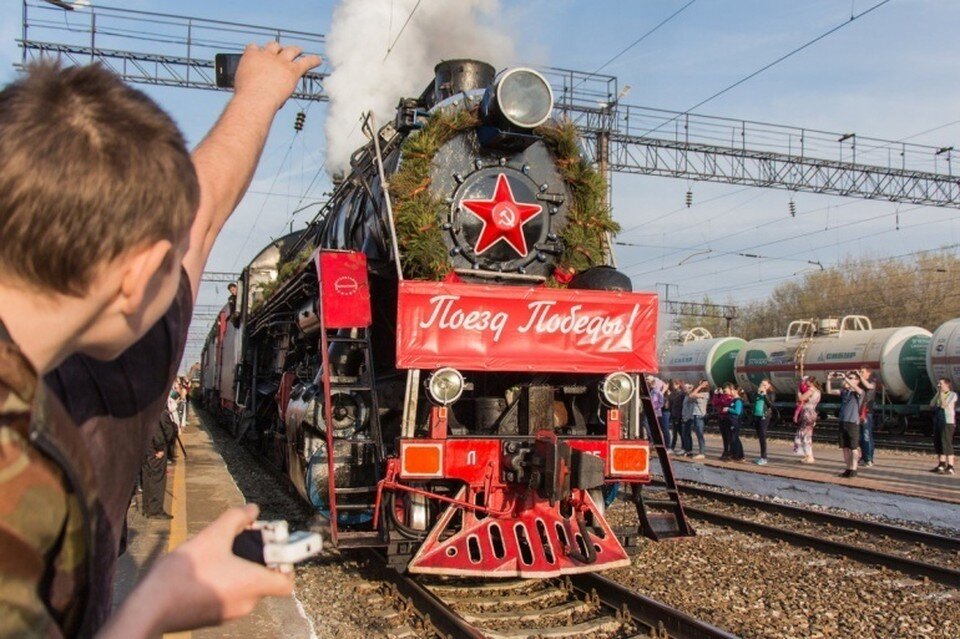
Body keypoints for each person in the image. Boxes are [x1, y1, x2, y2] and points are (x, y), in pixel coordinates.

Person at [0, 42, 320, 637]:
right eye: (166, 263)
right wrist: (155, 605)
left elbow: (198, 214)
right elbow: (203, 215)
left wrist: (257, 95)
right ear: (138, 277)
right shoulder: (110, 387)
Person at [826, 372, 864, 478]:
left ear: (857, 381)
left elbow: (858, 390)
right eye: (848, 378)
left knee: (853, 447)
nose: (848, 380)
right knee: (845, 447)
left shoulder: (859, 393)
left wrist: (845, 378)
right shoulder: (845, 392)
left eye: (851, 378)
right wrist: (829, 380)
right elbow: (829, 391)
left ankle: (854, 469)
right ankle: (848, 468)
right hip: (843, 421)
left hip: (853, 422)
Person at [142, 409, 179, 518]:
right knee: (157, 478)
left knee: (147, 477)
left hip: (146, 447)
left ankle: (147, 508)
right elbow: (160, 430)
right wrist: (160, 448)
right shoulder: (159, 410)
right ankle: (155, 510)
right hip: (156, 449)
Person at [929, 377, 957, 474]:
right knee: (939, 443)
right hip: (938, 421)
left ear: (947, 385)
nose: (939, 385)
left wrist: (941, 394)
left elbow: (944, 405)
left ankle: (950, 466)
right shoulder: (939, 394)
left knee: (946, 443)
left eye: (940, 384)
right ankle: (941, 464)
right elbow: (932, 404)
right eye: (938, 384)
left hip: (947, 421)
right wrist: (938, 394)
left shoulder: (952, 395)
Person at [793, 377, 821, 464]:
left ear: (811, 382)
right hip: (812, 412)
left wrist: (798, 392)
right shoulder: (818, 391)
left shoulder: (811, 390)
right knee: (807, 434)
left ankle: (809, 456)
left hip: (807, 413)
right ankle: (807, 455)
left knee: (805, 435)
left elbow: (801, 398)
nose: (805, 382)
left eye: (807, 381)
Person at [751, 379, 775, 465]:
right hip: (756, 416)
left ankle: (764, 457)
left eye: (765, 385)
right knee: (759, 435)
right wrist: (757, 393)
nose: (763, 387)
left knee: (762, 436)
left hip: (764, 416)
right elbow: (751, 401)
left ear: (769, 386)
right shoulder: (758, 393)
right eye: (762, 385)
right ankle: (761, 456)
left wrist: (765, 395)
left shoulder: (770, 393)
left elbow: (770, 405)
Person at [857, 368, 877, 467]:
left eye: (862, 372)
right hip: (859, 412)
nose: (860, 373)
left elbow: (869, 386)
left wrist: (859, 376)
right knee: (861, 437)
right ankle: (863, 456)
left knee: (866, 436)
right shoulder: (861, 382)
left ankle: (869, 459)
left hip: (866, 412)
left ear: (868, 372)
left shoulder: (872, 380)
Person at [687, 380, 709, 459]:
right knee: (698, 434)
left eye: (702, 384)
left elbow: (692, 395)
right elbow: (690, 397)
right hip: (695, 415)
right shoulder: (698, 394)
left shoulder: (705, 394)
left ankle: (702, 453)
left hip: (700, 416)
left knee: (700, 434)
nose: (699, 385)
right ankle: (701, 452)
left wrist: (699, 387)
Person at [713, 384, 733, 460]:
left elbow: (726, 404)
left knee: (729, 436)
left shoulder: (731, 397)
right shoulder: (722, 396)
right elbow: (715, 403)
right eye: (724, 389)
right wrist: (716, 395)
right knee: (724, 436)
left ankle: (730, 453)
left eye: (726, 389)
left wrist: (722, 399)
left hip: (728, 418)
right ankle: (725, 451)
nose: (724, 390)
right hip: (721, 417)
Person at [727, 386, 746, 462]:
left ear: (736, 391)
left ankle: (737, 456)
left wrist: (728, 409)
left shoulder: (738, 401)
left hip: (735, 422)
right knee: (733, 438)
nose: (730, 392)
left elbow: (737, 411)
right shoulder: (733, 400)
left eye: (732, 390)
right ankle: (738, 455)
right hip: (732, 421)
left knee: (735, 438)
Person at [667, 379, 686, 453]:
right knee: (675, 432)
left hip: (678, 415)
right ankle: (672, 447)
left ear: (678, 385)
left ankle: (683, 448)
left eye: (674, 384)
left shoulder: (681, 394)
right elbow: (671, 403)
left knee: (680, 433)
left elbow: (681, 405)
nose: (673, 386)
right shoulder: (674, 393)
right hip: (674, 414)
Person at [680, 382, 695, 456]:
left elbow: (690, 408)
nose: (684, 390)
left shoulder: (690, 396)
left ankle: (688, 450)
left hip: (688, 418)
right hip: (685, 417)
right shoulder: (686, 396)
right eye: (684, 389)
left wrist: (686, 418)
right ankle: (687, 449)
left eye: (686, 389)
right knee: (686, 434)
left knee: (686, 434)